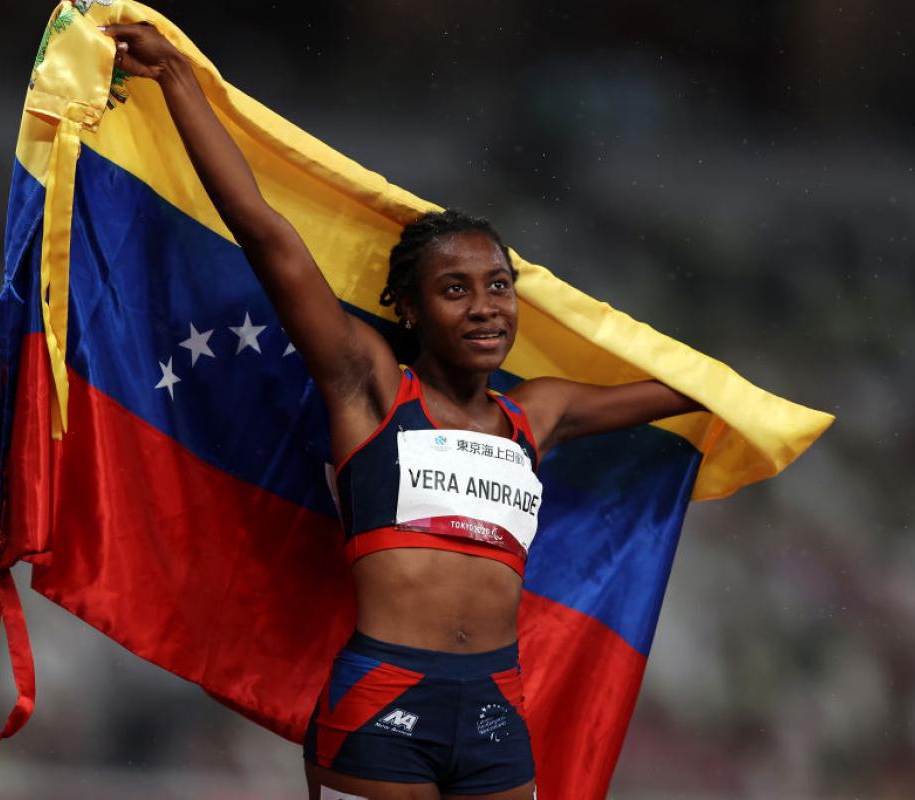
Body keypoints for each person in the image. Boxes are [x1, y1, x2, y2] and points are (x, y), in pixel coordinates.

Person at [103, 23, 702, 800]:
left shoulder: (539, 415)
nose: (487, 308)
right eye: (456, 290)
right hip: (383, 700)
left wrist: (751, 401)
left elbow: (689, 389)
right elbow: (266, 234)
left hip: (495, 711)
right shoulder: (372, 387)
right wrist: (178, 80)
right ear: (410, 311)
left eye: (499, 285)